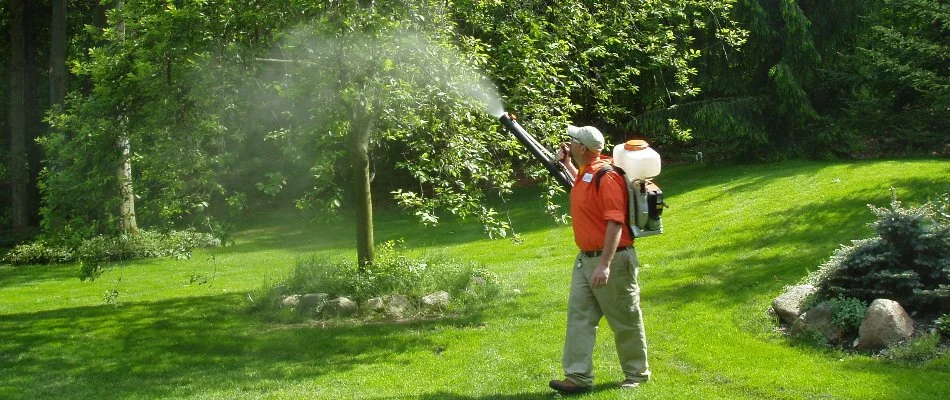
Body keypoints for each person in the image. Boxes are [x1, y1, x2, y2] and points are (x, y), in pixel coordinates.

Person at [548, 125, 651, 394]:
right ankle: (578, 377)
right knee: (579, 318)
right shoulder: (586, 172)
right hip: (585, 260)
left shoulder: (607, 177)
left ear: (584, 147)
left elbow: (615, 223)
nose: (567, 143)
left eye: (572, 142)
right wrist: (568, 164)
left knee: (625, 319)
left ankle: (636, 374)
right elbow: (582, 185)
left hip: (613, 261)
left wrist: (604, 264)